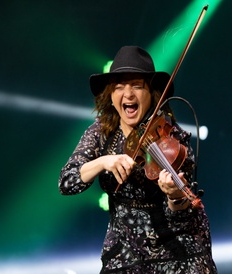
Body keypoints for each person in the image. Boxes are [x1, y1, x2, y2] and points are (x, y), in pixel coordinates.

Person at [59, 46, 217, 273]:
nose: (128, 94)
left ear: (151, 95)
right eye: (120, 87)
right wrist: (103, 161)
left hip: (178, 250)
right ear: (111, 96)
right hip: (125, 250)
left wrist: (174, 194)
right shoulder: (100, 133)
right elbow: (67, 183)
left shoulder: (172, 137)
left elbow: (181, 213)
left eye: (136, 86)